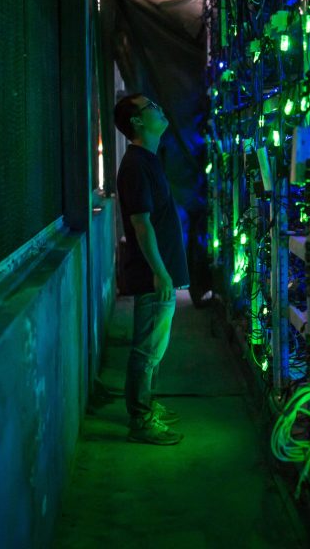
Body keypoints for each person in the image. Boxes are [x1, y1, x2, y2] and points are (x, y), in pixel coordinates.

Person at [114, 93, 190, 445]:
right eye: (151, 107)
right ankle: (140, 419)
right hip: (151, 274)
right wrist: (159, 271)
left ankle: (146, 406)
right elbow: (141, 223)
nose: (160, 108)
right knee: (146, 351)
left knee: (153, 350)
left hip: (160, 271)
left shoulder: (148, 159)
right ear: (138, 122)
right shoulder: (135, 165)